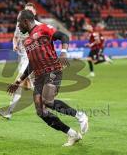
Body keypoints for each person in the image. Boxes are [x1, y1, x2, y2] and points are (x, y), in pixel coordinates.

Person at [7, 10, 88, 147]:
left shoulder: (43, 28)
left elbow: (63, 36)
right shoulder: (26, 42)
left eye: (19, 23)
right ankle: (72, 134)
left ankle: (80, 115)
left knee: (47, 101)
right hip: (38, 77)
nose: (18, 26)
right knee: (40, 111)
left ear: (26, 21)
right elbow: (31, 63)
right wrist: (18, 81)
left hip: (53, 70)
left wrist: (63, 52)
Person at [0, 3, 42, 119]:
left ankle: (9, 112)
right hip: (24, 58)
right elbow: (15, 37)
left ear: (35, 13)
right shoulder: (20, 25)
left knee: (18, 84)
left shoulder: (39, 26)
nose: (27, 13)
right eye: (25, 11)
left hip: (32, 60)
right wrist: (14, 45)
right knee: (31, 86)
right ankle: (47, 106)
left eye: (29, 11)